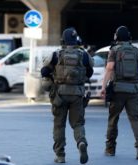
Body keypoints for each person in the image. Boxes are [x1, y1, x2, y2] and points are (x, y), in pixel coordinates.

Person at [41, 27, 94, 164]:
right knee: (78, 123)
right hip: (77, 94)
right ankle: (81, 142)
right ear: (76, 40)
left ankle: (60, 155)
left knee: (59, 125)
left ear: (63, 40)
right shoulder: (84, 55)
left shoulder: (56, 55)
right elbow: (89, 73)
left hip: (59, 95)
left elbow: (44, 71)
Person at [101, 26, 138, 160]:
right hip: (133, 90)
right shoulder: (136, 51)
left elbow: (110, 68)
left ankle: (110, 149)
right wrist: (134, 68)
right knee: (135, 118)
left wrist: (104, 86)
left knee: (113, 119)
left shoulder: (114, 50)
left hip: (118, 90)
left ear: (116, 37)